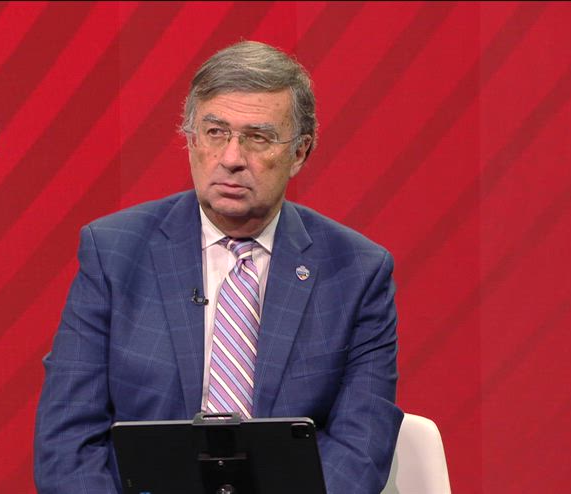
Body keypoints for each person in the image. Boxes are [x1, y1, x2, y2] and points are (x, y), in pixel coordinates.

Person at [34, 40, 403, 494]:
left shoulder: (356, 272)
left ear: (300, 152)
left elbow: (360, 449)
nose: (231, 159)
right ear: (191, 139)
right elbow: (67, 442)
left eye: (258, 137)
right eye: (215, 132)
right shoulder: (114, 252)